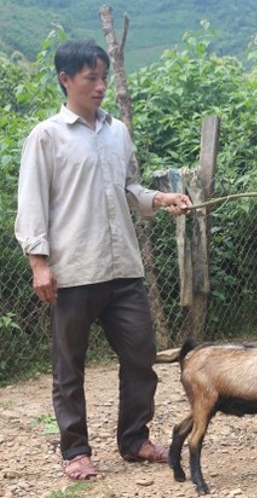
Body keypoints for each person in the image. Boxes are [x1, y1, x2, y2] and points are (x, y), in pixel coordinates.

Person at [14, 40, 192, 481]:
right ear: (65, 79)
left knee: (140, 355)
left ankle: (134, 439)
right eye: (90, 78)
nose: (99, 86)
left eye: (103, 78)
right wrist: (40, 263)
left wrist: (162, 198)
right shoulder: (47, 136)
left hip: (123, 269)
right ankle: (76, 451)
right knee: (68, 366)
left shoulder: (117, 132)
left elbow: (129, 189)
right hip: (73, 271)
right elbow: (32, 203)